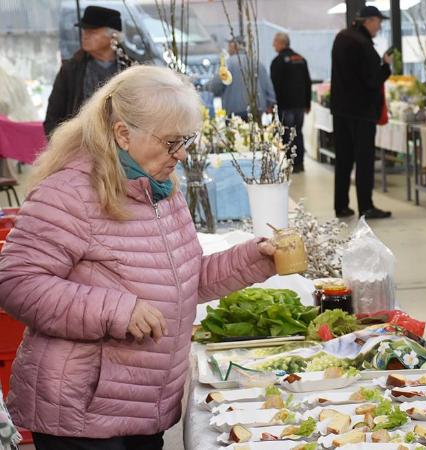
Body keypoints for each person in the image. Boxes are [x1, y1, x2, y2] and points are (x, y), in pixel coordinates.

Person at [0, 66, 280, 449]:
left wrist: (254, 258)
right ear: (123, 134)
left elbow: (185, 280)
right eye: (171, 142)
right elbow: (17, 283)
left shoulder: (161, 191)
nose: (181, 154)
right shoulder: (70, 192)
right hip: (82, 414)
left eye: (186, 140)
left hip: (144, 409)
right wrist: (117, 310)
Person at [330, 5, 393, 219]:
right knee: (364, 161)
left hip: (340, 110)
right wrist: (385, 66)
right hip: (361, 112)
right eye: (378, 22)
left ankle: (341, 206)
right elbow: (372, 81)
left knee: (343, 160)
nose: (379, 27)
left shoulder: (341, 38)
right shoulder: (363, 44)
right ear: (369, 21)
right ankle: (366, 206)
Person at [44, 6, 126, 136]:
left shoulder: (130, 68)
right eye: (84, 31)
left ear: (113, 36)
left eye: (92, 32)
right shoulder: (71, 70)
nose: (85, 36)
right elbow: (53, 117)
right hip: (80, 141)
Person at [271, 32, 312, 173]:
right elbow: (307, 82)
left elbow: (275, 85)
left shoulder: (278, 62)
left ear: (281, 43)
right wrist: (307, 103)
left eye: (275, 42)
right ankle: (300, 163)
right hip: (300, 105)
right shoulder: (301, 59)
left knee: (288, 134)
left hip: (285, 105)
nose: (273, 45)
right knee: (298, 133)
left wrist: (273, 105)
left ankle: (291, 163)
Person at [209, 37, 276, 120]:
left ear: (234, 47)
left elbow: (215, 86)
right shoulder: (257, 63)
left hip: (234, 111)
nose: (228, 50)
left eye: (229, 46)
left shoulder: (228, 64)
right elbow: (268, 87)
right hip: (256, 109)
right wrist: (270, 104)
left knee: (237, 128)